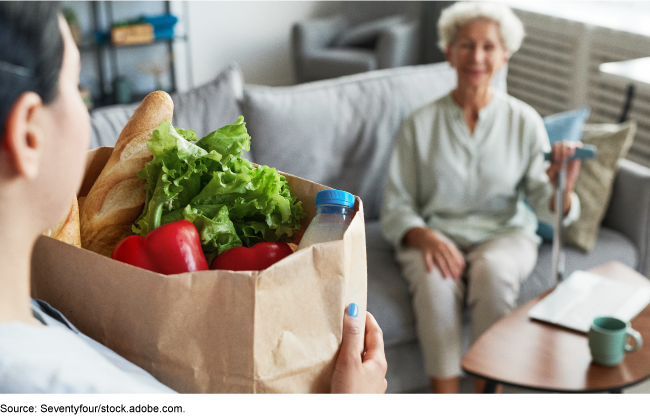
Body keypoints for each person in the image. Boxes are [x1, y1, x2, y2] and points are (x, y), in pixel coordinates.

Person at [0, 2, 387, 394]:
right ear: (29, 135)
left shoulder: (32, 314)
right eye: (78, 89)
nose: (87, 117)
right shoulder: (62, 389)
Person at [380, 2, 582, 394]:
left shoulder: (525, 121)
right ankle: (447, 396)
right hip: (436, 232)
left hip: (505, 233)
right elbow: (396, 204)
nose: (477, 56)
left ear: (505, 54)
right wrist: (425, 237)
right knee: (436, 283)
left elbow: (545, 201)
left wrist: (565, 188)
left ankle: (488, 395)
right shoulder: (419, 123)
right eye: (466, 45)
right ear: (448, 51)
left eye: (489, 47)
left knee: (495, 273)